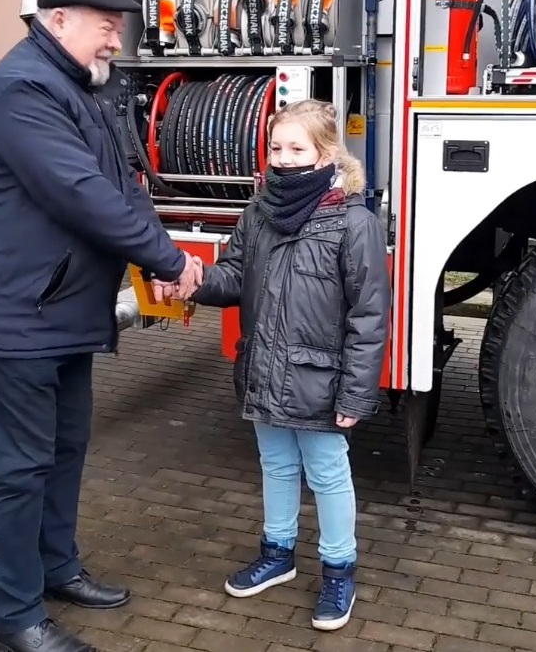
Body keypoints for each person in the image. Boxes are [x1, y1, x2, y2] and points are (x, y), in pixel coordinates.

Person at [0, 0, 201, 652]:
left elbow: (120, 185)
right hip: (12, 315)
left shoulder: (76, 89)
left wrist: (155, 257)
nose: (116, 36)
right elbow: (81, 193)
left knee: (62, 450)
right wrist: (171, 261)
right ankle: (14, 616)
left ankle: (55, 568)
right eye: (103, 23)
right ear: (56, 22)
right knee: (17, 468)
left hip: (54, 312)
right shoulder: (23, 90)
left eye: (119, 24)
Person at [158, 99, 390, 632]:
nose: (283, 159)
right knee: (277, 466)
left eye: (297, 148)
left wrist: (357, 394)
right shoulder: (259, 213)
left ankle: (338, 569)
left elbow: (370, 316)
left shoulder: (353, 222)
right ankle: (278, 553)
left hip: (321, 381)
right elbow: (235, 277)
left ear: (326, 152)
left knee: (328, 475)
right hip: (264, 369)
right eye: (277, 147)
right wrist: (195, 277)